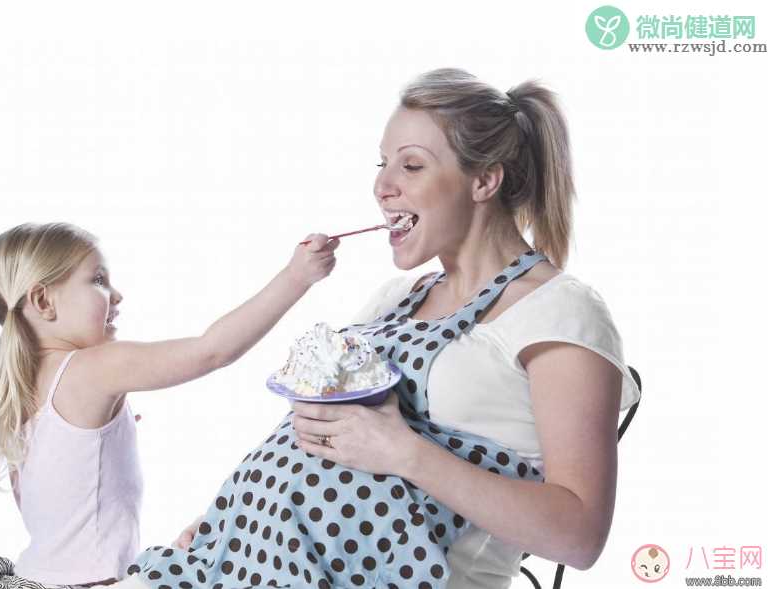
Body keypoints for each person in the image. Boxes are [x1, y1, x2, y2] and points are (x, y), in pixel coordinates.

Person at [123, 68, 641, 588]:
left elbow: (579, 536)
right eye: (382, 163)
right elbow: (308, 438)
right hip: (243, 566)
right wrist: (227, 520)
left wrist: (406, 453)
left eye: (411, 165)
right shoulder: (395, 300)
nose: (382, 185)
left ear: (484, 180)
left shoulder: (558, 313)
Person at [0, 222, 339, 588]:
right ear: (43, 300)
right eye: (97, 280)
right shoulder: (92, 369)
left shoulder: (21, 391)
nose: (117, 295)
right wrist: (296, 277)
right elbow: (212, 351)